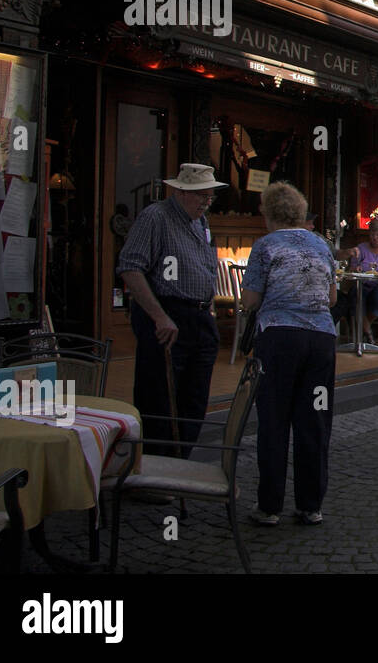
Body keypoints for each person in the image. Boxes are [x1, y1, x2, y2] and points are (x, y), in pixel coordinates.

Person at [242, 182, 339, 526]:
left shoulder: (265, 246)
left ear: (268, 213)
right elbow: (331, 299)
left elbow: (251, 301)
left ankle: (269, 506)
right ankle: (311, 504)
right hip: (321, 342)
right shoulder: (322, 245)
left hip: (280, 339)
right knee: (314, 420)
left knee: (274, 419)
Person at [118, 162, 225, 456]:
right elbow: (130, 267)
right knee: (160, 396)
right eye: (201, 195)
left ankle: (181, 460)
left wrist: (210, 307)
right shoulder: (156, 217)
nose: (206, 202)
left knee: (195, 395)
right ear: (181, 193)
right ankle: (155, 466)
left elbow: (205, 266)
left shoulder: (201, 222)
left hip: (200, 317)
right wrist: (159, 316)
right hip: (167, 315)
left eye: (210, 196)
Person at [334, 218, 378, 339]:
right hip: (363, 284)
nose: (375, 238)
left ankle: (364, 326)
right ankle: (366, 330)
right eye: (372, 234)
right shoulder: (361, 248)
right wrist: (355, 269)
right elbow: (352, 269)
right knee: (355, 295)